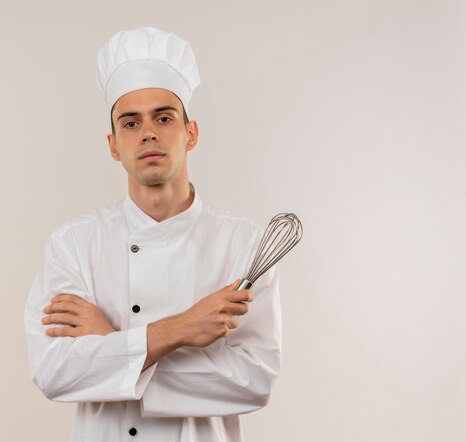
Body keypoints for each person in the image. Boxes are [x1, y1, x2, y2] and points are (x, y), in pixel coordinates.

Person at [24, 26, 282, 442]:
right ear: (113, 145)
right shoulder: (73, 244)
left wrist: (112, 346)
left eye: (164, 117)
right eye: (130, 122)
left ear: (190, 133)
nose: (148, 133)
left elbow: (254, 380)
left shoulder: (245, 245)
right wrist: (179, 330)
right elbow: (54, 372)